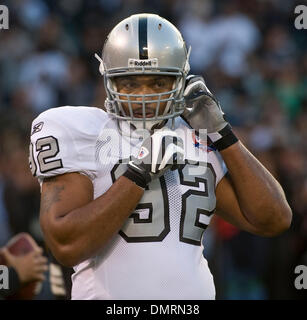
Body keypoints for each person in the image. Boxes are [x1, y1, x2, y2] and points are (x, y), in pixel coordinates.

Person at [28, 13, 292, 300]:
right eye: (130, 83)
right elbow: (66, 245)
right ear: (108, 81)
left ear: (181, 80)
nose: (144, 97)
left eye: (157, 83)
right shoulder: (81, 130)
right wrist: (137, 174)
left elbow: (273, 220)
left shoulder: (195, 137)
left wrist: (222, 133)